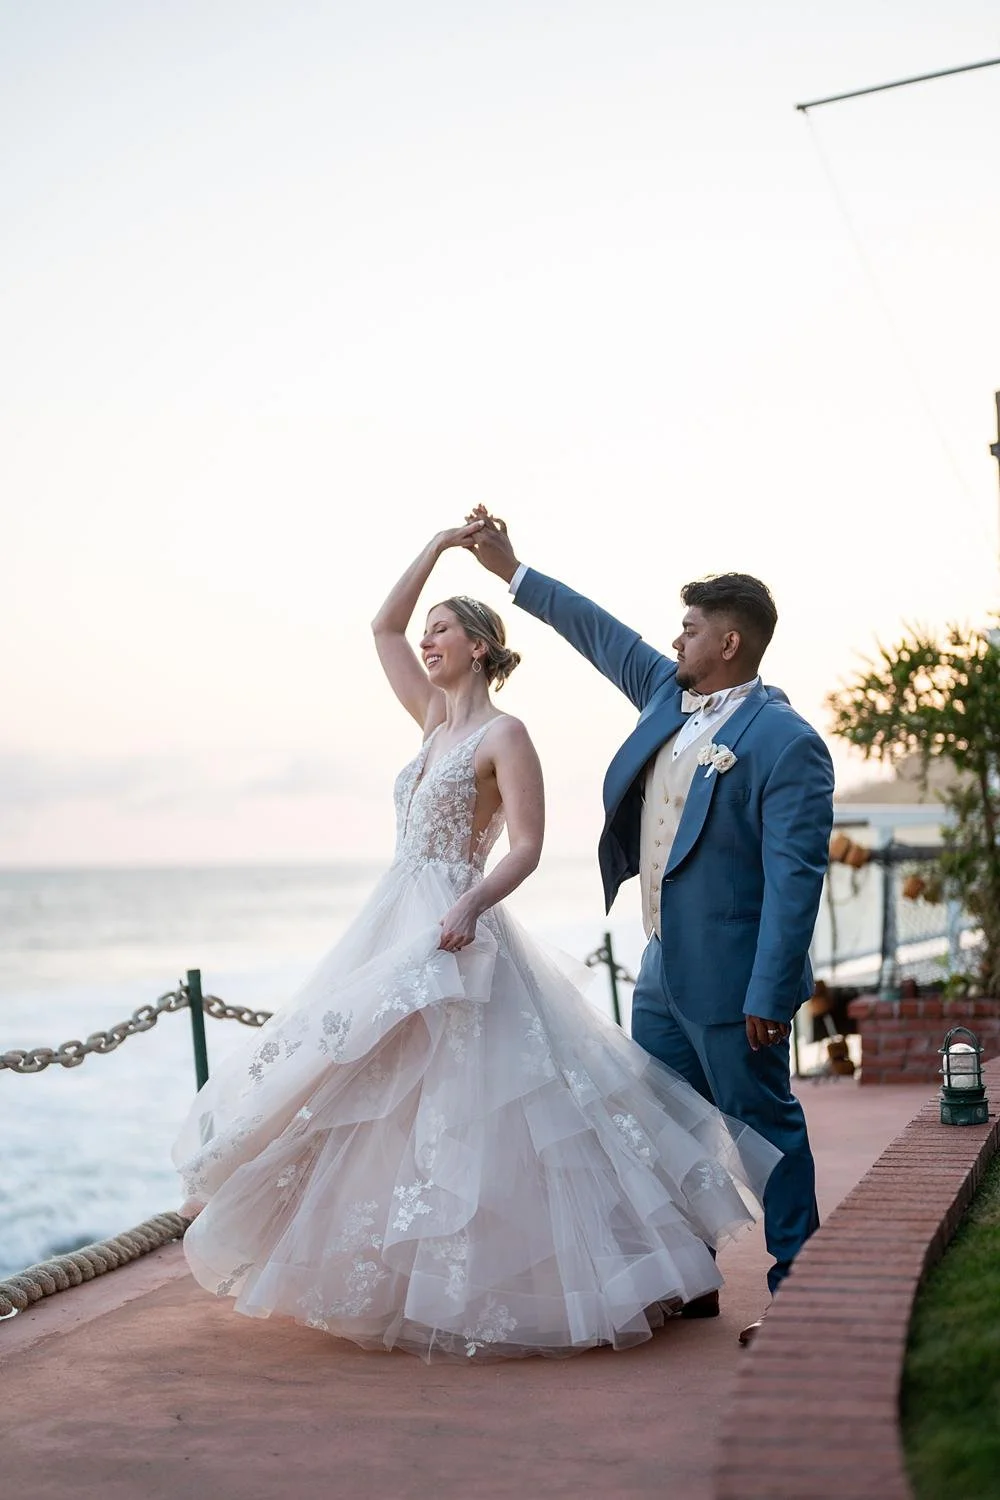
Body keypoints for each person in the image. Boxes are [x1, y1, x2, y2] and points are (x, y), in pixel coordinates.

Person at [172, 523, 779, 1363]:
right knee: (379, 1086)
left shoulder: (507, 735)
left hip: (459, 924)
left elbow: (527, 845)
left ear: (483, 647)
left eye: (444, 629)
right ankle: (399, 1271)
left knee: (502, 1104)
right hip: (393, 918)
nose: (426, 641)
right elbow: (382, 626)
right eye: (429, 632)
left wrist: (470, 903)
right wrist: (437, 546)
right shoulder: (427, 720)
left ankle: (633, 1267)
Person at [466, 508, 834, 1344]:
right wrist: (514, 573)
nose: (675, 638)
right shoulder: (669, 694)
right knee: (660, 1124)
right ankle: (689, 1279)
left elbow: (795, 881)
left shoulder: (784, 741)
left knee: (764, 1130)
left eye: (692, 628)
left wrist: (771, 991)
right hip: (662, 967)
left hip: (737, 983)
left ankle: (801, 1292)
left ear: (729, 644)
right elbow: (600, 633)